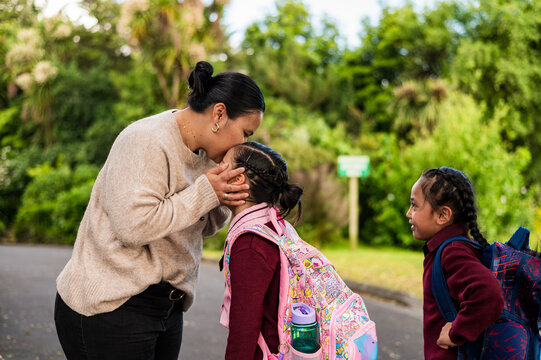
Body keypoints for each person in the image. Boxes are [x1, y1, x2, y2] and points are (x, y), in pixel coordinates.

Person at [54, 61, 265, 360]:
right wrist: (206, 192)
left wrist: (223, 198)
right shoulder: (146, 139)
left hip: (167, 306)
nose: (245, 143)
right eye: (246, 132)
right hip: (111, 306)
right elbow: (133, 227)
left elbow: (200, 224)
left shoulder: (207, 155)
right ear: (219, 114)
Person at [406, 166, 504, 360]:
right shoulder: (446, 249)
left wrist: (456, 332)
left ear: (443, 215)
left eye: (415, 205)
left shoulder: (453, 252)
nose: (409, 213)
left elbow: (488, 293)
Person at [218, 142, 303, 360]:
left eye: (221, 165)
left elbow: (244, 328)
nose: (214, 170)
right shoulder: (273, 224)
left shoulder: (250, 243)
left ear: (238, 180)